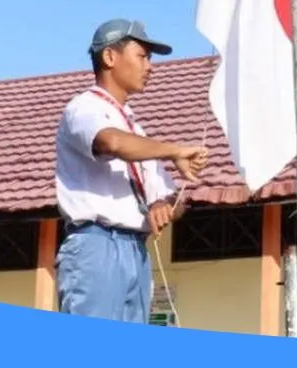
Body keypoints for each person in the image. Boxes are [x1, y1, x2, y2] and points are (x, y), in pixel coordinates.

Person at [54, 18, 209, 323]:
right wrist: (175, 150)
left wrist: (165, 206)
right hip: (96, 245)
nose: (149, 67)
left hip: (135, 248)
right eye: (142, 56)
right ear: (110, 57)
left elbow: (173, 199)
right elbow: (110, 142)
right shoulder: (83, 108)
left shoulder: (135, 129)